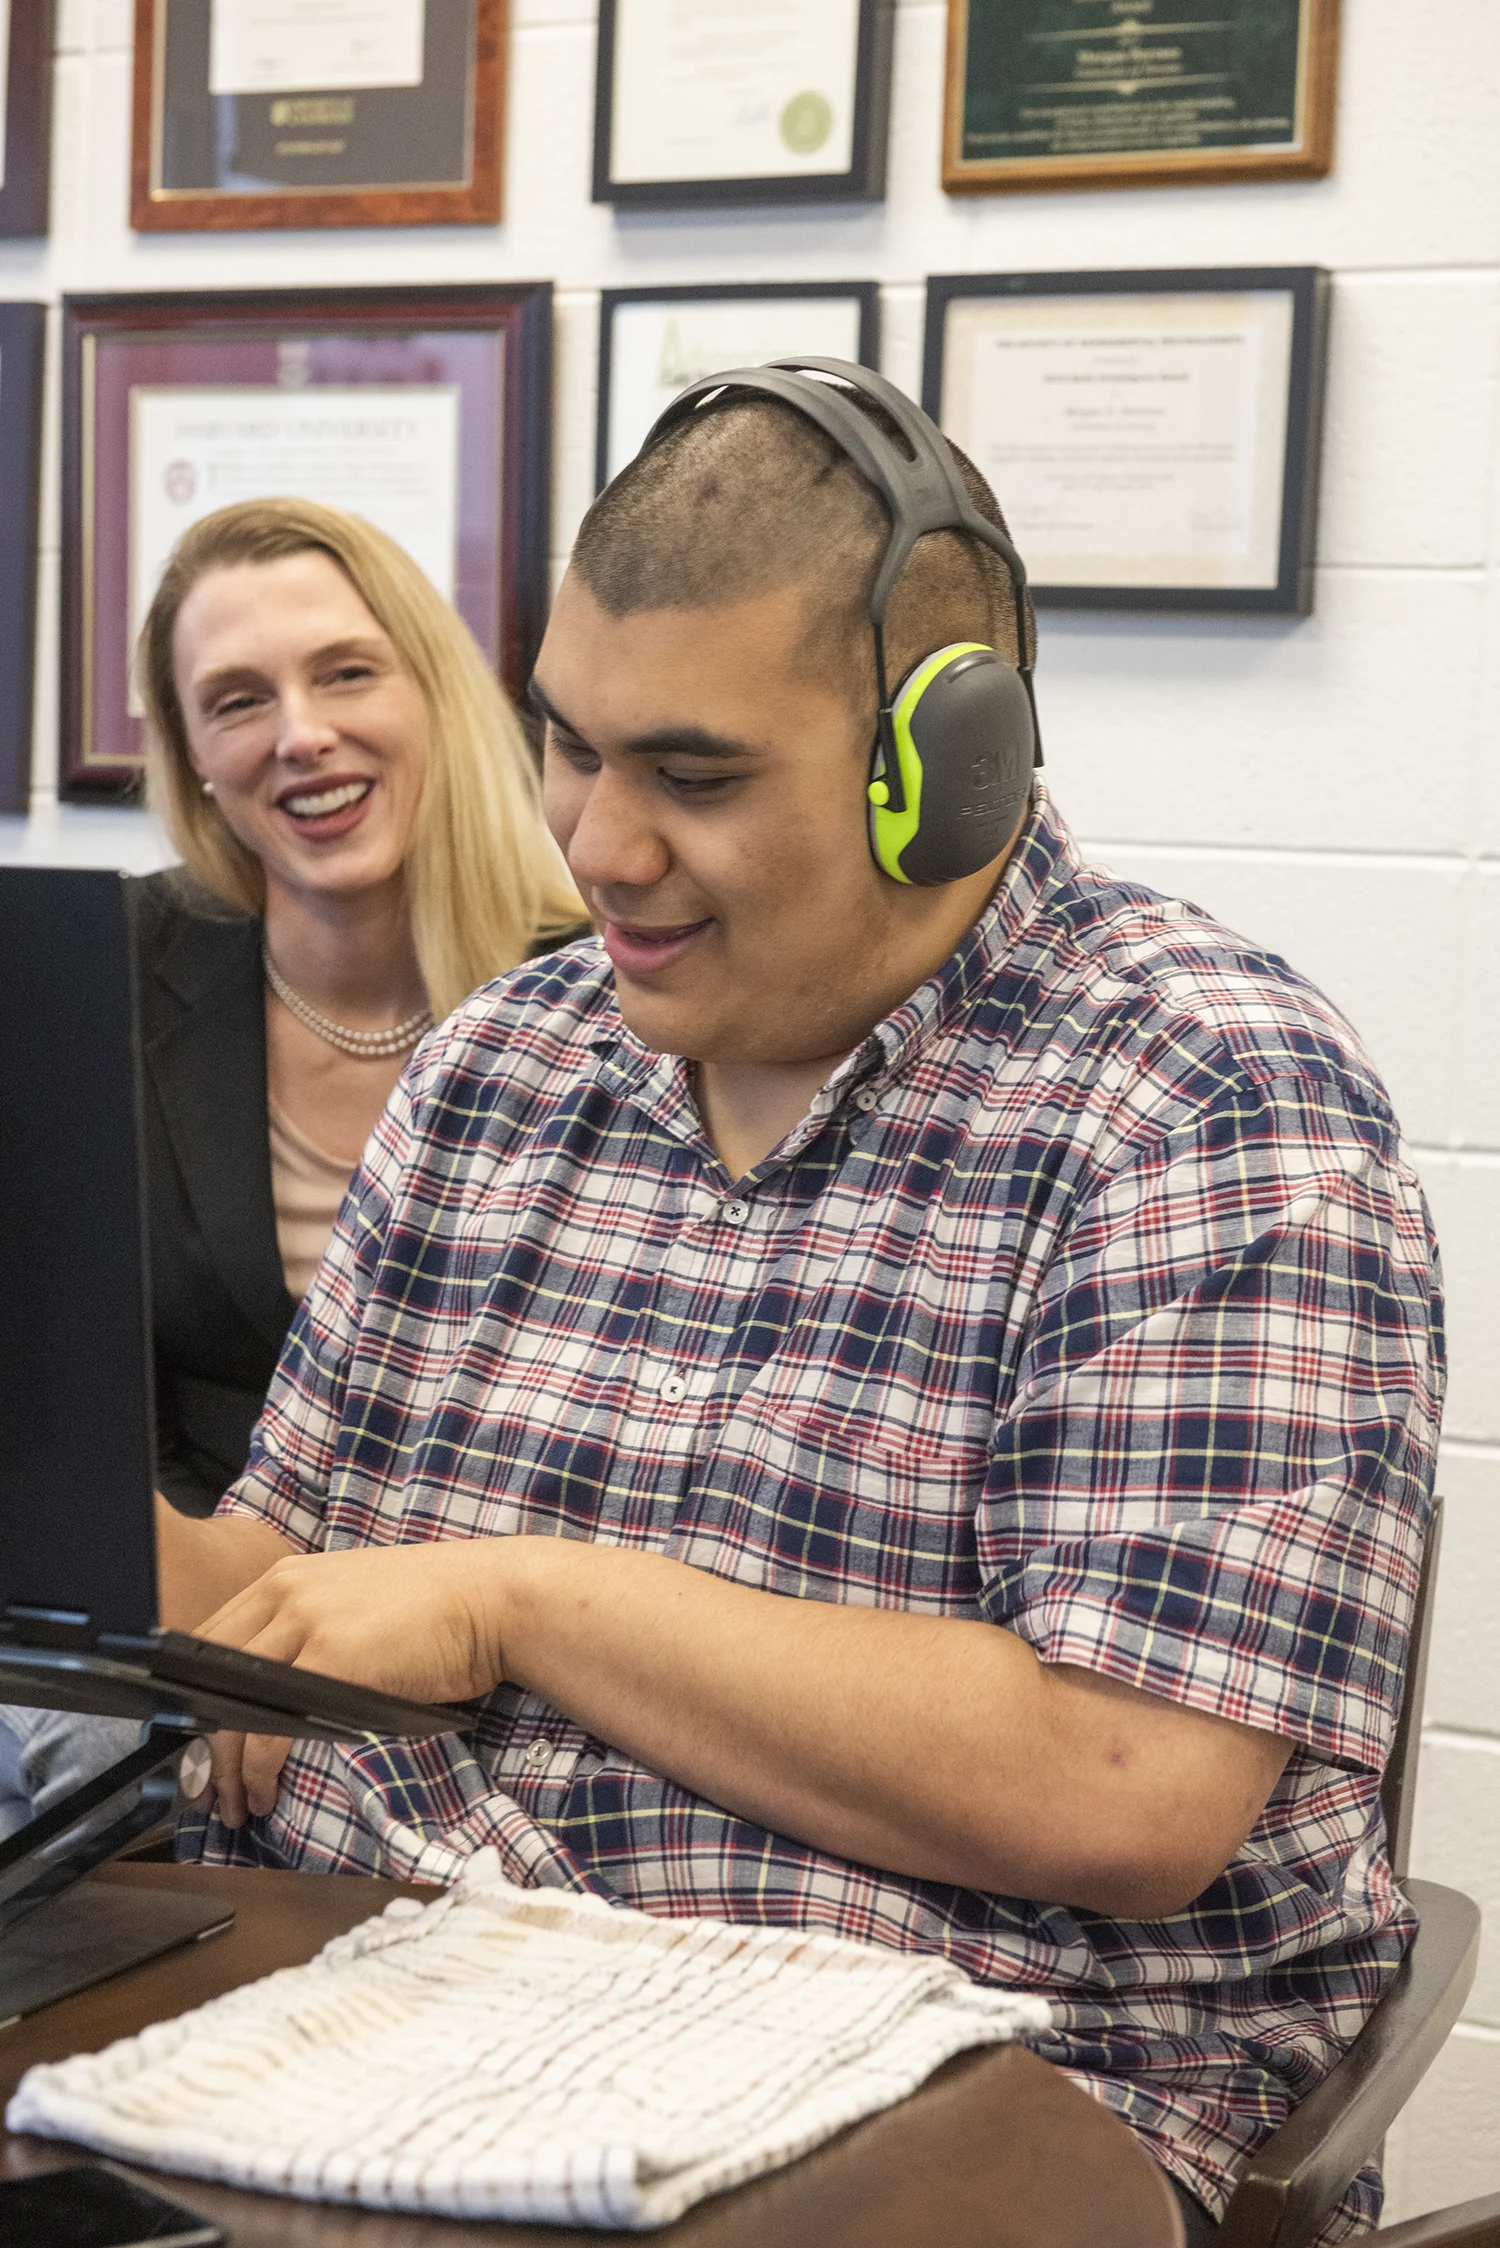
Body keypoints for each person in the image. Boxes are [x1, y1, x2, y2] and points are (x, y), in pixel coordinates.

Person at [157, 371, 1439, 2244]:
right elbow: (269, 1591)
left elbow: (1125, 1786)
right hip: (394, 2013)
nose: (595, 844)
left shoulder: (1203, 1096)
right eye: (569, 746)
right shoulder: (504, 1064)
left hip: (943, 2090)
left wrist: (517, 1592)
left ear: (951, 770)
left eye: (693, 775)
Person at [0, 497, 583, 1839]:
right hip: (193, 1614)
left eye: (344, 673)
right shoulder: (113, 979)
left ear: (434, 692)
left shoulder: (602, 989)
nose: (299, 733)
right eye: (236, 700)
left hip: (501, 1629)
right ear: (195, 757)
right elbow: (103, 1437)